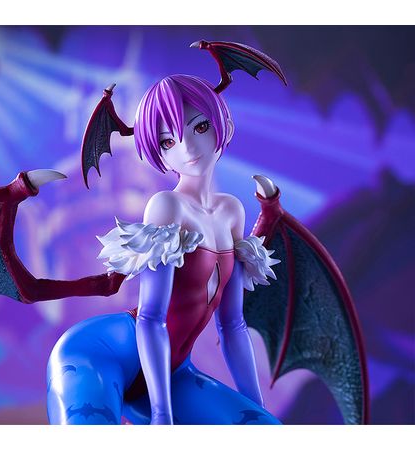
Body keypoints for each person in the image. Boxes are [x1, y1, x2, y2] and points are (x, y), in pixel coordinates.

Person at [45, 74, 281, 425]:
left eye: (200, 127)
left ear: (224, 124)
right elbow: (150, 319)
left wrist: (257, 408)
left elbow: (233, 324)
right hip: (98, 355)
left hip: (174, 371)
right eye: (168, 141)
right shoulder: (167, 206)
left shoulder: (232, 211)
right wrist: (161, 413)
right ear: (160, 154)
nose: (188, 148)